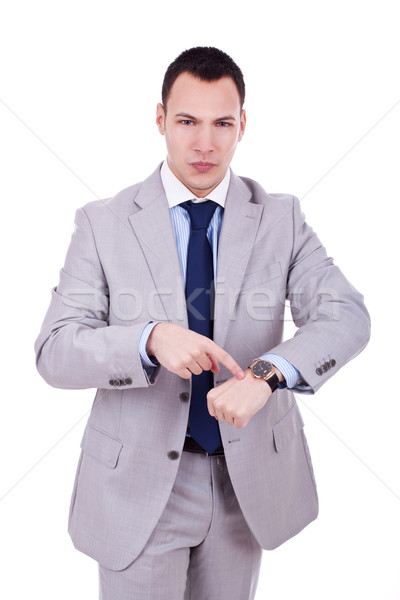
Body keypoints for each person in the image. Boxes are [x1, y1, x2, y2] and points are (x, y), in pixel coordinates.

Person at [35, 46, 370, 599]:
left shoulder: (280, 217)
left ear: (244, 125)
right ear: (161, 120)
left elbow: (345, 314)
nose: (205, 144)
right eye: (187, 121)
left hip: (245, 485)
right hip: (138, 487)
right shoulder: (103, 223)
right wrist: (148, 340)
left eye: (223, 123)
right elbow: (56, 350)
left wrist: (267, 374)